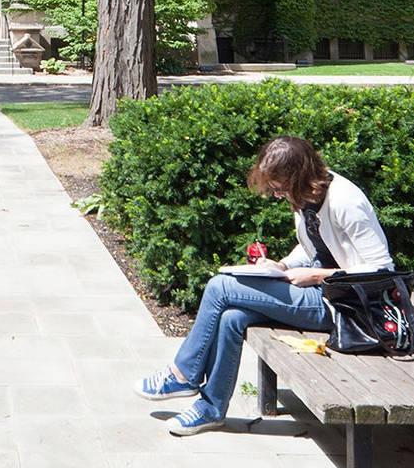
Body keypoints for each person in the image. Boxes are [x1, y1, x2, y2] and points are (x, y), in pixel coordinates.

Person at [134, 133, 395, 435]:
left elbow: (382, 269)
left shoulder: (345, 201)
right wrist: (282, 266)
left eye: (280, 187)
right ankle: (211, 408)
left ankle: (183, 375)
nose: (277, 194)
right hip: (317, 291)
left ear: (297, 176)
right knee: (232, 318)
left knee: (220, 287)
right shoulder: (308, 195)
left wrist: (317, 276)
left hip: (343, 307)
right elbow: (314, 247)